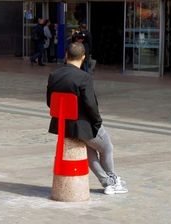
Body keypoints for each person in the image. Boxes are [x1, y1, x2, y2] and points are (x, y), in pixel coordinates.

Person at [47, 42, 128, 195]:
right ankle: (112, 179)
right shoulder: (84, 77)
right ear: (83, 57)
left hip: (63, 125)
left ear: (66, 55)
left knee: (90, 151)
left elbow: (50, 102)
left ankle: (108, 183)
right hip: (83, 125)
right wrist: (97, 123)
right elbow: (91, 105)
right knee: (107, 147)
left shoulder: (54, 75)